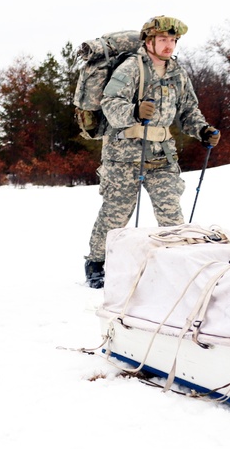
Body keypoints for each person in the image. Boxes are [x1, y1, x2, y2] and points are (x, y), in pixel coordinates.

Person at [84, 16, 221, 289]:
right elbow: (111, 104)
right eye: (163, 40)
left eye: (172, 40)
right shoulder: (131, 67)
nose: (168, 45)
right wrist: (133, 112)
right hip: (123, 155)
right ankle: (96, 262)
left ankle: (177, 263)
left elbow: (187, 111)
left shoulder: (176, 72)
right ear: (149, 41)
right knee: (116, 214)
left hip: (161, 155)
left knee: (171, 213)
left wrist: (202, 130)